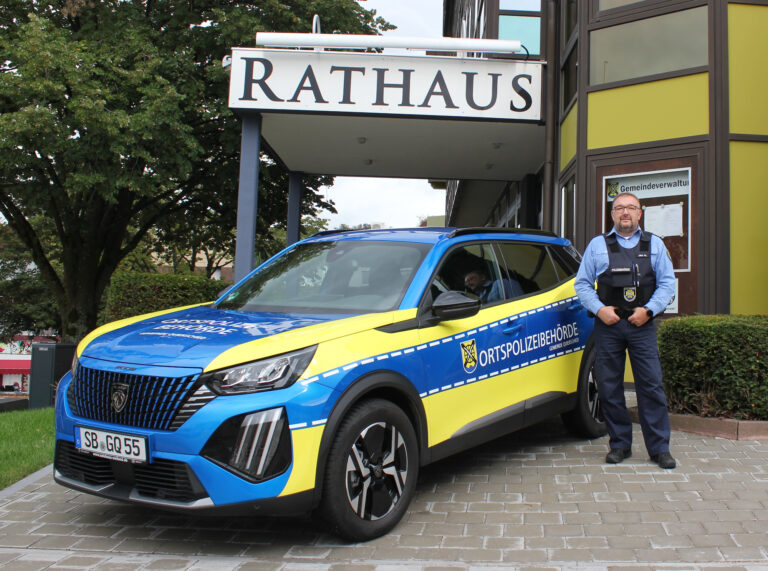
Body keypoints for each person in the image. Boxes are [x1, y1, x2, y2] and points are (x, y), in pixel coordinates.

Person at [574, 192, 677, 469]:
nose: (625, 213)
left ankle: (659, 449)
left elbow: (668, 284)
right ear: (612, 214)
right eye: (619, 208)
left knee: (651, 386)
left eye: (631, 208)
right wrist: (600, 309)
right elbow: (582, 285)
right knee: (609, 387)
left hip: (641, 324)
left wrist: (649, 311)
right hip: (608, 326)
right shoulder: (597, 245)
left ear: (640, 213)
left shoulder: (654, 244)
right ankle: (619, 445)